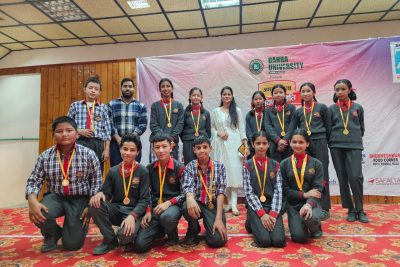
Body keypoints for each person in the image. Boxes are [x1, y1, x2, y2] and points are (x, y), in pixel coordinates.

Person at [25, 116, 102, 252]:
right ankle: (52, 234)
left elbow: (96, 183)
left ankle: (73, 232)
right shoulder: (45, 156)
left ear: (77, 134)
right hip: (56, 197)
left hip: (79, 199)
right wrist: (32, 200)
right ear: (54, 134)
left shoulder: (89, 155)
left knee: (72, 245)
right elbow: (34, 180)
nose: (64, 134)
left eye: (69, 130)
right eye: (59, 131)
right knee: (37, 211)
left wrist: (90, 206)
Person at [89, 135, 150, 255]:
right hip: (116, 209)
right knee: (95, 203)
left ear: (138, 152)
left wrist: (133, 215)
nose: (128, 153)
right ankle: (110, 239)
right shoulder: (113, 171)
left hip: (134, 212)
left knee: (125, 237)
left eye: (132, 150)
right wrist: (100, 194)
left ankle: (124, 235)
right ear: (120, 149)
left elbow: (144, 199)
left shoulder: (143, 171)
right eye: (125, 149)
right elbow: (106, 193)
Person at [134, 133, 185, 253]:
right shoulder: (149, 168)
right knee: (140, 246)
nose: (161, 150)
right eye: (157, 147)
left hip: (173, 206)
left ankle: (172, 233)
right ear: (153, 149)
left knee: (167, 217)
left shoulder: (180, 168)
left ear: (171, 147)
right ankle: (160, 230)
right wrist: (147, 210)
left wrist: (168, 203)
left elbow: (185, 194)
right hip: (155, 208)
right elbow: (146, 193)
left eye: (164, 146)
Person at [290, 82, 331, 220]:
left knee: (322, 174)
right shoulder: (298, 111)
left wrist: (327, 142)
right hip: (304, 144)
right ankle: (308, 204)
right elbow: (292, 128)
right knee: (305, 174)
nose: (305, 93)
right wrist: (286, 141)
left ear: (314, 92)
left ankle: (324, 207)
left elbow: (328, 127)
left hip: (320, 141)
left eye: (308, 91)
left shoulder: (322, 107)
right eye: (303, 91)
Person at [329, 79, 368, 223]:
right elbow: (328, 128)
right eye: (337, 89)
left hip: (354, 145)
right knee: (342, 178)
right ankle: (350, 209)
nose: (339, 92)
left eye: (343, 89)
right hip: (336, 146)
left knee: (356, 176)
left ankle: (360, 209)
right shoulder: (331, 109)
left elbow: (361, 128)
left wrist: (354, 140)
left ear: (350, 90)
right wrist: (333, 141)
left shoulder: (358, 107)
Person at [182, 135, 227, 247]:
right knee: (185, 206)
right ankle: (193, 229)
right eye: (198, 148)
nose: (202, 150)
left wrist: (218, 219)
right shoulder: (190, 166)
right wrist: (190, 198)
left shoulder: (220, 167)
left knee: (217, 241)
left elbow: (221, 192)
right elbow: (188, 186)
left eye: (205, 147)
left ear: (210, 148)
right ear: (194, 150)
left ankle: (210, 226)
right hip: (197, 204)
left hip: (213, 205)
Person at [243, 131, 286, 248]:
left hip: (272, 205)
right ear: (253, 144)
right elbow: (249, 193)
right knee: (264, 241)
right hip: (256, 206)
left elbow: (278, 191)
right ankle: (250, 221)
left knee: (278, 241)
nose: (261, 146)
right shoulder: (247, 165)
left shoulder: (275, 165)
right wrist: (262, 214)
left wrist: (273, 213)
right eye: (258, 143)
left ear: (268, 145)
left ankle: (256, 222)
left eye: (264, 143)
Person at [281, 129, 324, 244]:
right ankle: (301, 224)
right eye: (294, 142)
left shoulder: (316, 164)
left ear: (307, 144)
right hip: (293, 204)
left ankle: (315, 226)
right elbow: (285, 190)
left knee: (312, 217)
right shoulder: (284, 164)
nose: (297, 145)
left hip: (312, 203)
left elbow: (318, 189)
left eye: (301, 142)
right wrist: (304, 194)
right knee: (299, 238)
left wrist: (309, 204)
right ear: (290, 143)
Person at [211, 86, 249, 216]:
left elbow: (242, 129)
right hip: (221, 144)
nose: (227, 96)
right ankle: (227, 203)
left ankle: (234, 204)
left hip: (235, 143)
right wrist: (218, 133)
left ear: (232, 96)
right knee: (224, 173)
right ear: (221, 96)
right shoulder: (215, 111)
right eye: (224, 94)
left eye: (229, 94)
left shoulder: (237, 111)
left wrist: (245, 145)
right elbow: (211, 128)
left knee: (234, 173)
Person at [67, 76, 112, 172]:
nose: (93, 91)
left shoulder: (103, 108)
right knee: (79, 170)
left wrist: (106, 149)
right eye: (90, 88)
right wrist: (78, 130)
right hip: (80, 142)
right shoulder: (75, 106)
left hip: (98, 143)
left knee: (97, 170)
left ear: (99, 92)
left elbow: (108, 130)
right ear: (85, 89)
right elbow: (67, 125)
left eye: (96, 89)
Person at [108, 78, 147, 165]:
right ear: (121, 88)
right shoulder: (112, 104)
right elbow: (109, 123)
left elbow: (143, 124)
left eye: (130, 86)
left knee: (134, 170)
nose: (127, 88)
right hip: (116, 143)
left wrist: (132, 137)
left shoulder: (140, 106)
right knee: (116, 170)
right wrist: (118, 138)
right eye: (125, 86)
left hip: (134, 142)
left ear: (133, 88)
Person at [149, 78, 184, 162]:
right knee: (155, 170)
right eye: (163, 86)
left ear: (172, 89)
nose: (165, 88)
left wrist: (170, 139)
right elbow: (153, 124)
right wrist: (163, 138)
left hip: (172, 143)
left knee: (172, 169)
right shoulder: (155, 106)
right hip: (157, 142)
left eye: (168, 86)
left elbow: (180, 124)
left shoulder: (178, 105)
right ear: (160, 89)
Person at [265, 84, 296, 162]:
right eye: (275, 93)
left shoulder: (291, 107)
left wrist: (285, 140)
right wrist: (278, 140)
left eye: (281, 92)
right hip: (274, 143)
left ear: (285, 94)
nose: (278, 94)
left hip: (289, 142)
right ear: (272, 95)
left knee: (289, 168)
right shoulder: (268, 110)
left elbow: (293, 125)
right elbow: (267, 126)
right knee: (276, 167)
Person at [181, 87, 211, 165]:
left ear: (201, 97)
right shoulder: (185, 112)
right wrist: (186, 139)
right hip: (188, 142)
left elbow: (208, 131)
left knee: (203, 164)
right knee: (189, 164)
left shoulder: (206, 113)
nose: (196, 97)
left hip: (202, 142)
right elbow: (181, 129)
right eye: (193, 95)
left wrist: (205, 140)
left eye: (198, 95)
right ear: (190, 97)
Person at [245, 91, 267, 159]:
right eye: (256, 99)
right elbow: (248, 130)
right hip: (252, 145)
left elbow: (270, 128)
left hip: (265, 144)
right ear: (252, 101)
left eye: (260, 99)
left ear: (264, 100)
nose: (258, 101)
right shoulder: (249, 114)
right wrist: (253, 142)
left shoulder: (268, 113)